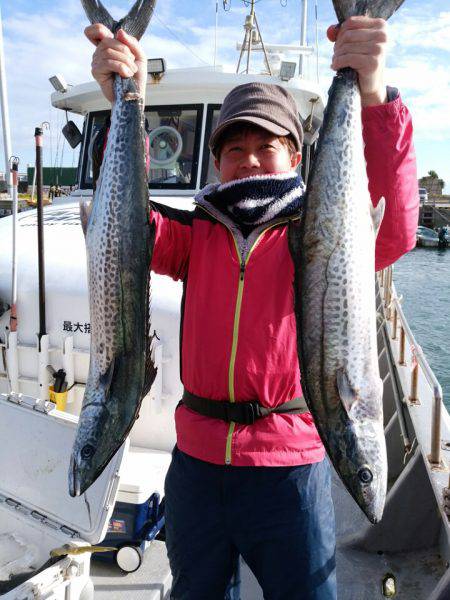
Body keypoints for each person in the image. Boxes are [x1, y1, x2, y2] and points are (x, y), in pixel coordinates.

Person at [85, 15, 419, 600]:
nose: (249, 160)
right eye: (234, 148)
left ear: (294, 153)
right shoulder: (194, 234)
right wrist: (123, 98)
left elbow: (393, 230)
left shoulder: (318, 235)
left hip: (290, 472)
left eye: (266, 145)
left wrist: (374, 96)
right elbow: (124, 228)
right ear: (216, 163)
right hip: (196, 469)